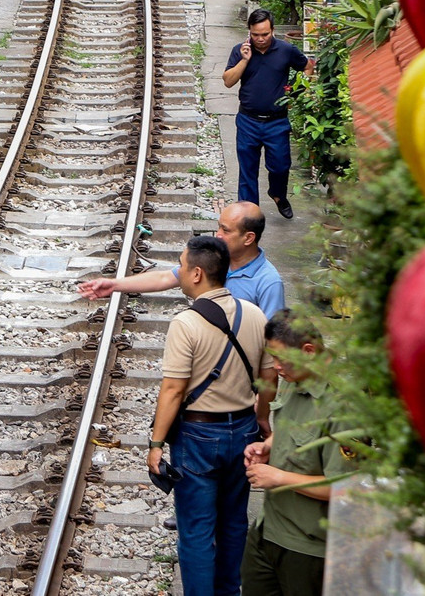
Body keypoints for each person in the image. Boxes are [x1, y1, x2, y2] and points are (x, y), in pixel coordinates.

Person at [148, 236, 274, 596]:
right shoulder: (254, 314)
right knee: (234, 522)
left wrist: (156, 444)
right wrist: (262, 419)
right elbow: (269, 379)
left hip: (199, 437)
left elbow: (173, 390)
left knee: (197, 530)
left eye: (183, 266)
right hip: (244, 431)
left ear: (198, 273)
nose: (182, 273)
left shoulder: (185, 324)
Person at [242, 310, 357, 595]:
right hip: (268, 530)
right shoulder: (296, 376)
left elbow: (345, 488)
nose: (276, 367)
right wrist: (268, 446)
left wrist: (278, 477)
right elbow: (292, 425)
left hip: (307, 548)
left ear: (309, 351)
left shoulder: (343, 405)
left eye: (281, 358)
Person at [77, 201, 285, 320]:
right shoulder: (216, 258)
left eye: (226, 230)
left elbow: (272, 340)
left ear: (249, 238)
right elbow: (165, 278)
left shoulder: (268, 282)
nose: (218, 234)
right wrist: (114, 285)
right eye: (219, 226)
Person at [223, 9, 312, 218]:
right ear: (249, 32)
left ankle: (278, 194)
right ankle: (249, 217)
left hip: (277, 122)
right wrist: (244, 60)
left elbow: (308, 67)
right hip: (247, 121)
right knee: (247, 173)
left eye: (265, 34)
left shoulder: (286, 50)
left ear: (273, 30)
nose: (260, 39)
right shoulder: (240, 51)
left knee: (281, 167)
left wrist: (295, 91)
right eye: (255, 35)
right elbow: (228, 81)